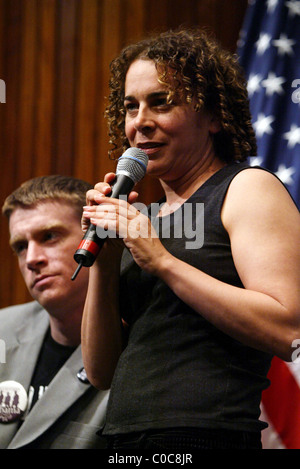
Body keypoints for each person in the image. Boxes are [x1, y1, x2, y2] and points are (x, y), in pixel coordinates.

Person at [80, 28, 300, 450]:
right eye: (130, 107)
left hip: (205, 437)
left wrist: (161, 260)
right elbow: (102, 373)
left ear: (214, 115)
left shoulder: (247, 188)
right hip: (121, 441)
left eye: (160, 102)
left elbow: (288, 329)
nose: (140, 121)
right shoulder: (143, 218)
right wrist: (105, 264)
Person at [0, 175, 109, 449]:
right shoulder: (2, 328)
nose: (32, 259)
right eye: (21, 247)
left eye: (49, 236)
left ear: (94, 236)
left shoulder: (142, 345)